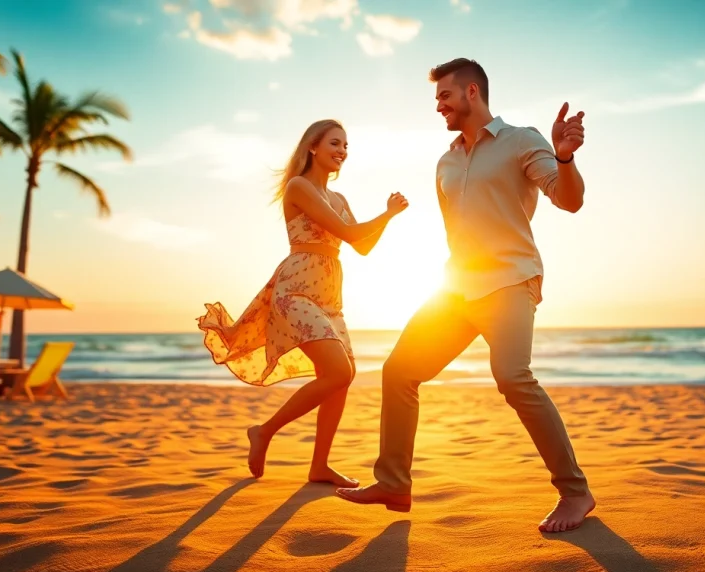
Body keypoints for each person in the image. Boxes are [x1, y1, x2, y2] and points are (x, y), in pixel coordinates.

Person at [336, 58, 596, 532]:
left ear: (472, 92)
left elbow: (569, 199)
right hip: (455, 288)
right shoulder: (446, 162)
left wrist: (564, 156)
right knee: (399, 372)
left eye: (445, 97)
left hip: (510, 281)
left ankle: (575, 493)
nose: (438, 106)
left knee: (513, 377)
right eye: (437, 98)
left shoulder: (522, 140)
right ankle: (393, 482)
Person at [197, 119, 409, 488]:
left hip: (329, 295)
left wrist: (387, 221)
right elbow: (347, 232)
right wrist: (387, 213)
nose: (342, 151)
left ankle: (319, 466)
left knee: (341, 379)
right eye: (335, 143)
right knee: (339, 372)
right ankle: (264, 431)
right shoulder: (299, 187)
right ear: (312, 146)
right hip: (295, 290)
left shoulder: (339, 199)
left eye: (346, 146)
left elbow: (362, 245)